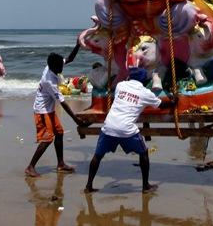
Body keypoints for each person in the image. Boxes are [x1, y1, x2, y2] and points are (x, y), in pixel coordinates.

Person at [84, 67, 174, 194]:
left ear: (129, 77)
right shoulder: (145, 93)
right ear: (144, 81)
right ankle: (145, 186)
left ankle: (88, 186)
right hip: (126, 129)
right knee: (143, 153)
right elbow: (160, 105)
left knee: (98, 156)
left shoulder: (121, 85)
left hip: (109, 126)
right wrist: (173, 102)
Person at [25, 44, 85, 177]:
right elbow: (62, 102)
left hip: (49, 109)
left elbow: (69, 59)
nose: (62, 68)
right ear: (54, 67)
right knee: (47, 139)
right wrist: (76, 119)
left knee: (59, 133)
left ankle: (60, 164)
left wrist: (78, 45)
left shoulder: (51, 65)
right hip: (42, 111)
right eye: (60, 67)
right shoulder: (49, 82)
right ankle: (30, 167)